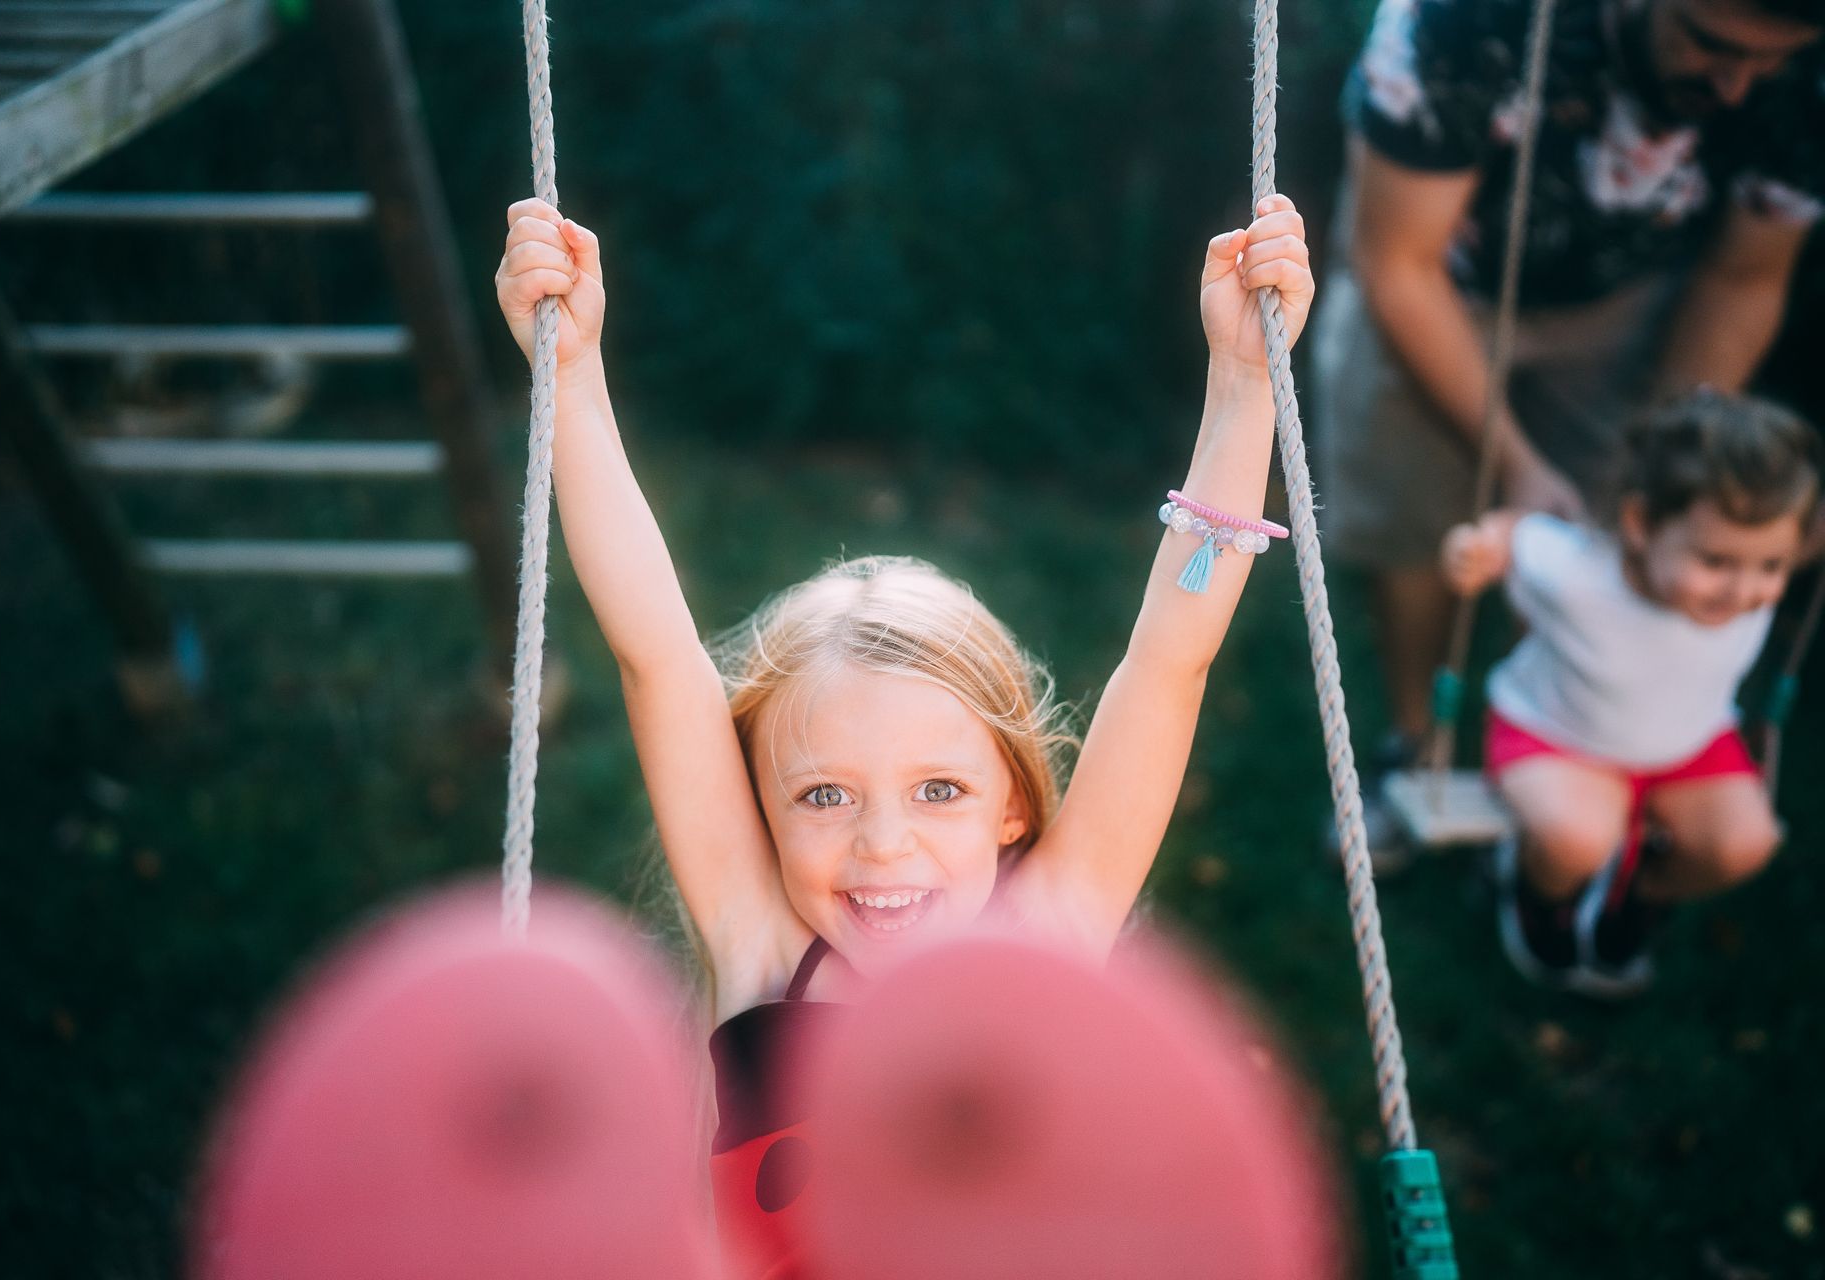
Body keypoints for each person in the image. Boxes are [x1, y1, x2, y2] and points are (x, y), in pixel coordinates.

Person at [492, 195, 1314, 1275]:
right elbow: (656, 652)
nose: (884, 845)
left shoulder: (1052, 937)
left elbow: (1169, 659)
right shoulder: (763, 950)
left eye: (939, 790)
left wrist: (1246, 382)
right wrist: (576, 375)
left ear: (1014, 799)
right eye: (826, 795)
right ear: (762, 805)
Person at [1314, 0, 1825, 855]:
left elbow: (1743, 279)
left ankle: (1559, 771)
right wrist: (1515, 464)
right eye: (1709, 43)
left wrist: (1672, 460)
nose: (1737, 87)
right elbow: (1396, 263)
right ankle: (1418, 748)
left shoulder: (1806, 72)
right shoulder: (1454, 20)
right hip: (1433, 281)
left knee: (1611, 541)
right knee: (1414, 532)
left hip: (1623, 301)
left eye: (1766, 64)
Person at [1440, 389, 1821, 996]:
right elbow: (1518, 536)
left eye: (1771, 566)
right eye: (1717, 561)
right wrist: (1480, 544)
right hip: (1557, 735)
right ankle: (1541, 896)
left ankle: (1637, 896)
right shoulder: (1580, 576)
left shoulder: (1749, 566)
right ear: (1641, 524)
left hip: (1690, 742)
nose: (1744, 590)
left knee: (1746, 844)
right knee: (1576, 839)